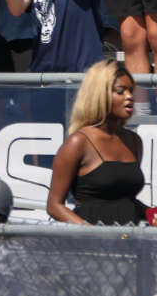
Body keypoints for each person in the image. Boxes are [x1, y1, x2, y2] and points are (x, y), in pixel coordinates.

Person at [45, 59, 148, 225]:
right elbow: (54, 206)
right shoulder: (78, 142)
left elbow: (125, 202)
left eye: (131, 91)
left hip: (129, 242)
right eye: (121, 91)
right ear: (101, 94)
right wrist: (91, 232)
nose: (130, 96)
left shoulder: (134, 141)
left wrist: (156, 215)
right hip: (91, 246)